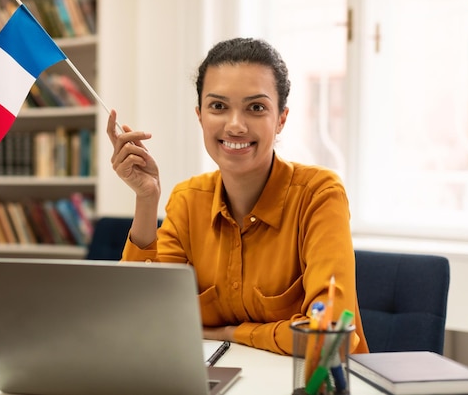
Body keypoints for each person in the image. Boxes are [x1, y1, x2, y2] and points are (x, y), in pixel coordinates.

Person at [107, 37, 369, 355]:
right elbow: (144, 320)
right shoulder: (187, 200)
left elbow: (329, 336)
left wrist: (231, 333)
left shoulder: (320, 195)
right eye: (218, 106)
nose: (235, 125)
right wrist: (146, 199)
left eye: (255, 108)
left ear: (281, 119)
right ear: (200, 115)